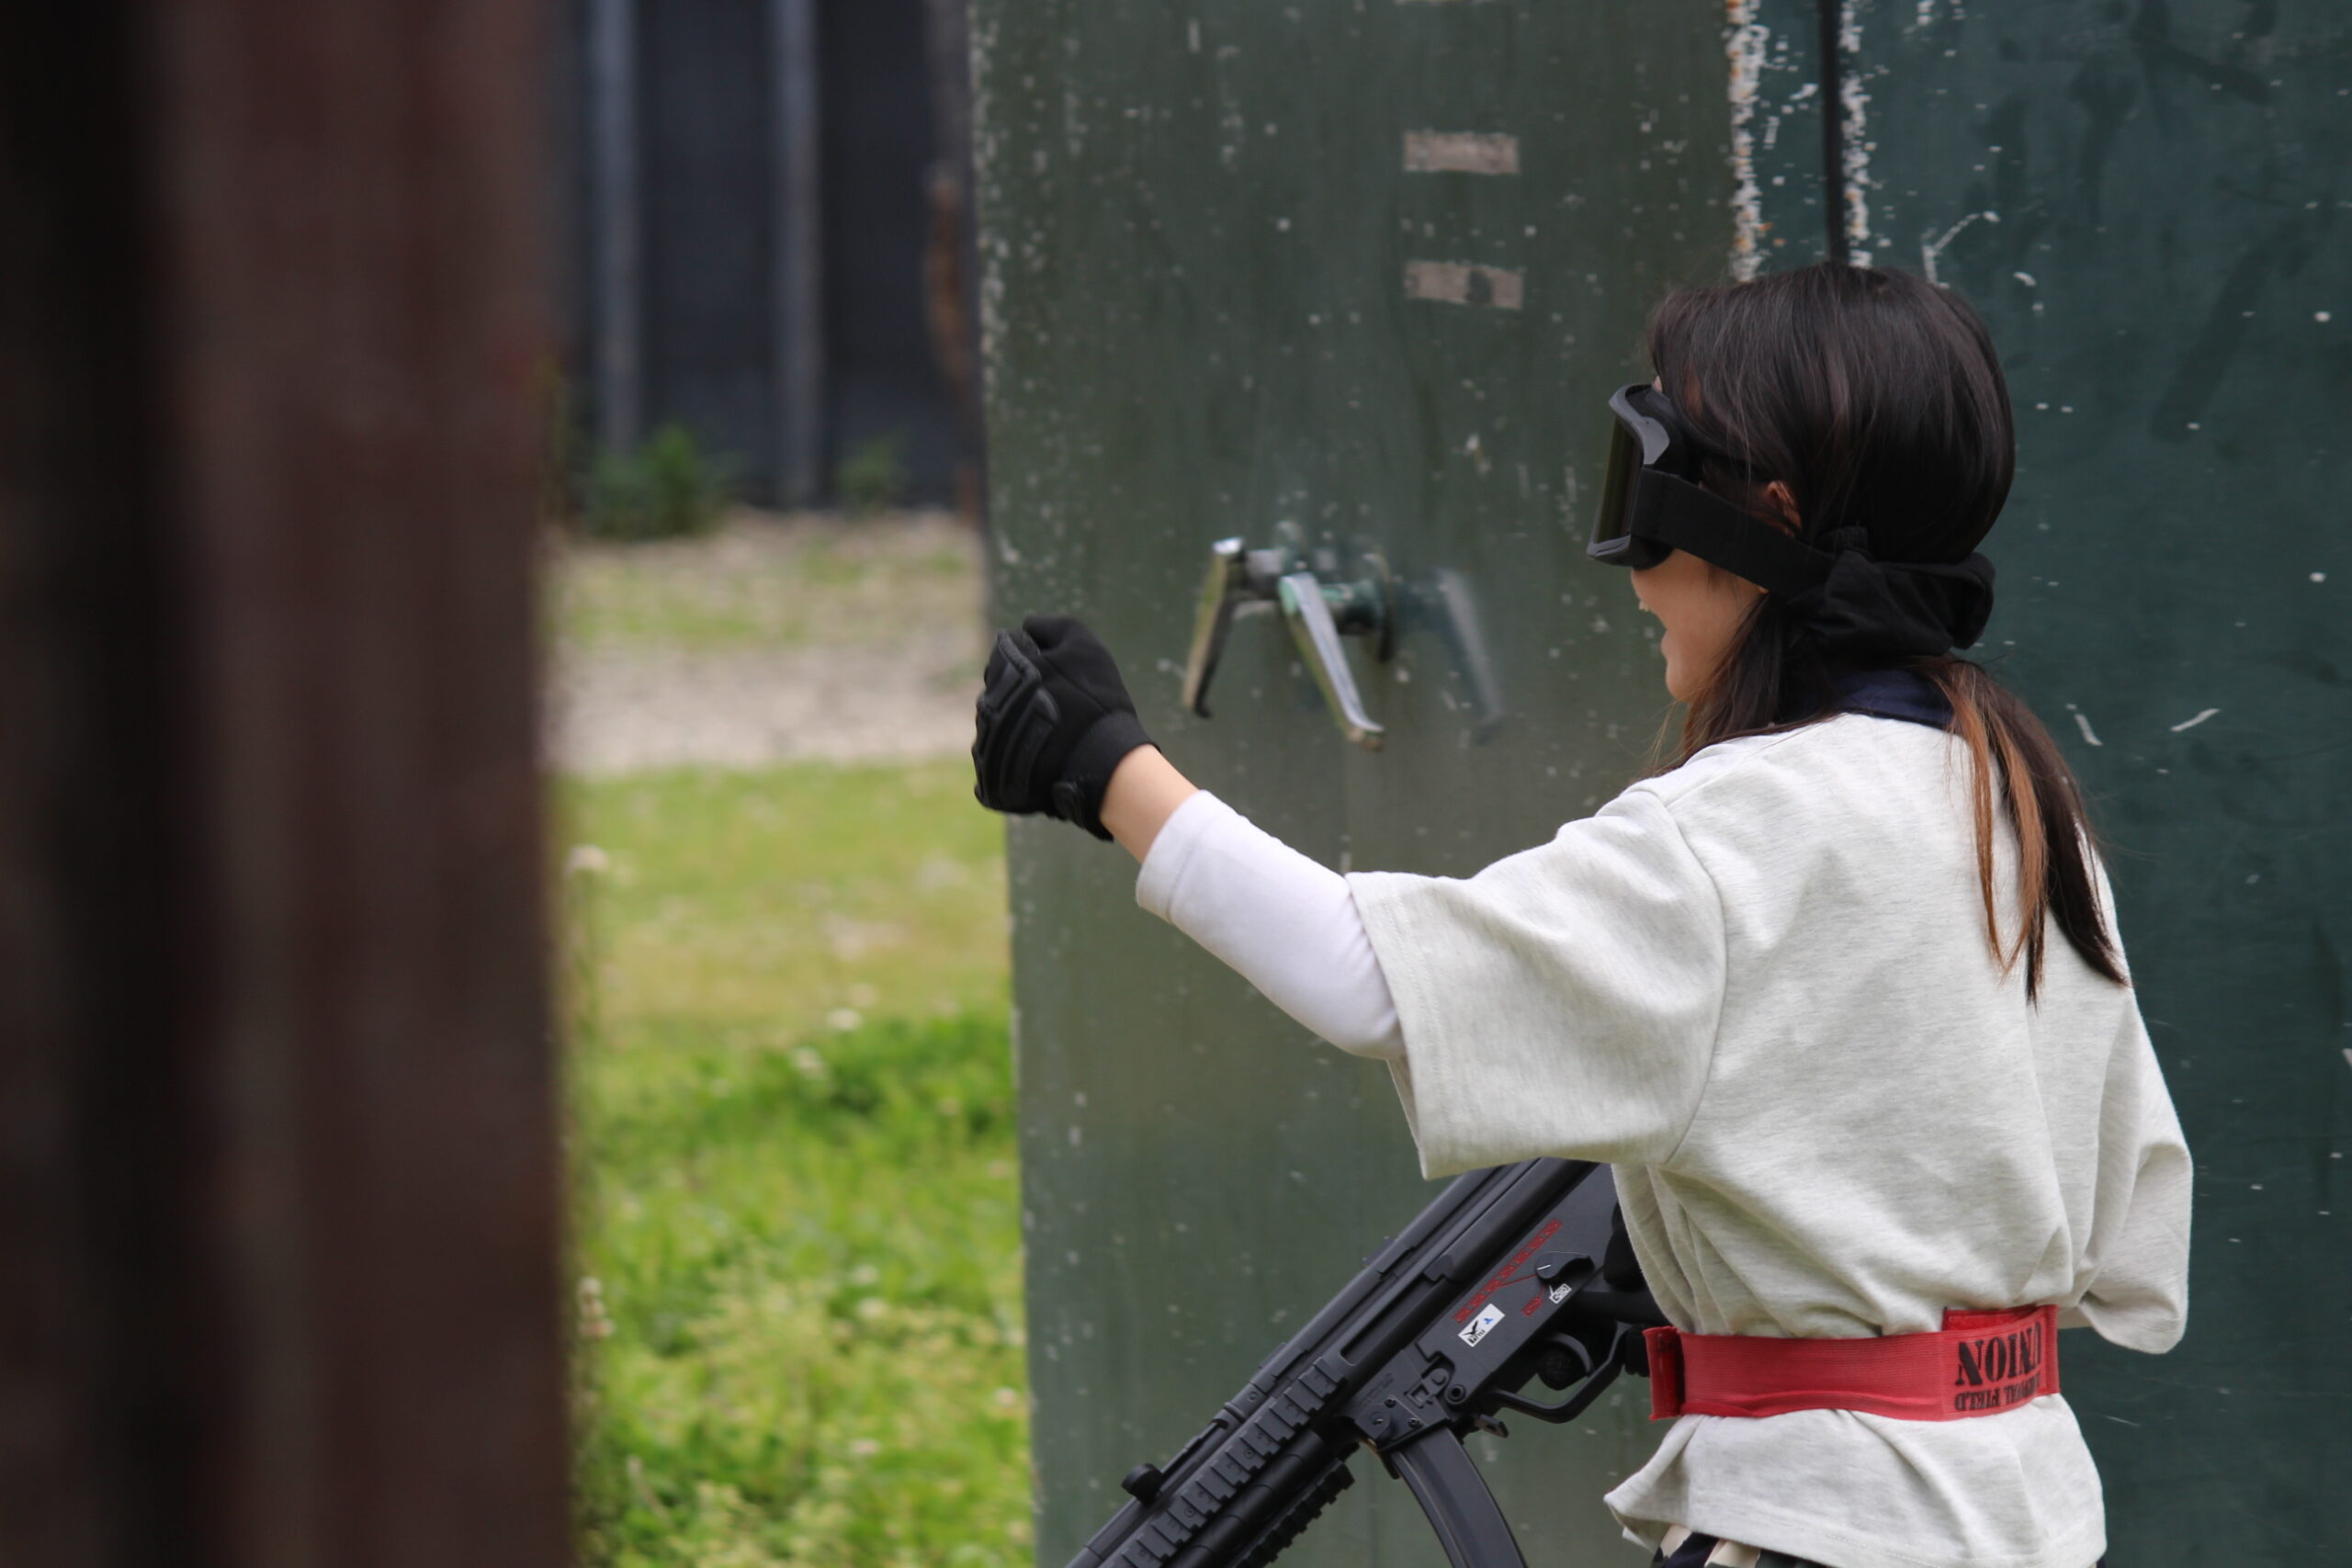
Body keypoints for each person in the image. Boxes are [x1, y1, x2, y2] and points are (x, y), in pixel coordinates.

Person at [970, 262, 2190, 1568]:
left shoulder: (1737, 830)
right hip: (2021, 1514)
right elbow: (2122, 1223)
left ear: (1766, 517)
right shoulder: (2018, 802)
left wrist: (1108, 770)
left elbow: (1370, 979)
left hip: (1819, 1527)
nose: (1632, 572)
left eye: (1649, 489)